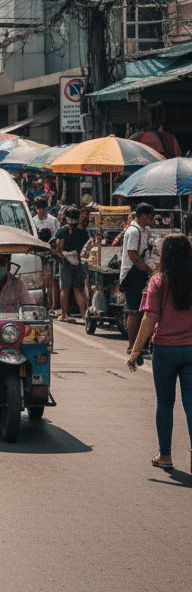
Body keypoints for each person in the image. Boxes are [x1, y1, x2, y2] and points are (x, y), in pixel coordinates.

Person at [126, 234, 192, 472]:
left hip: (165, 352)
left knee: (165, 404)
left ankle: (165, 455)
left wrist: (134, 352)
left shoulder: (158, 282)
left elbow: (149, 318)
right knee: (191, 404)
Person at [120, 202, 157, 356]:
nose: (151, 221)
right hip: (132, 274)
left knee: (140, 309)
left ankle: (138, 345)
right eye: (150, 218)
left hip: (139, 273)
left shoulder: (142, 230)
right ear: (142, 216)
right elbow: (133, 255)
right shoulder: (134, 231)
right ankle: (131, 346)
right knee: (134, 310)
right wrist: (149, 270)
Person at [54, 207, 89, 324]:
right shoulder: (83, 232)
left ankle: (64, 314)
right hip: (79, 262)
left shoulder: (62, 231)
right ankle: (84, 315)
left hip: (65, 263)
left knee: (65, 288)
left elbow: (59, 247)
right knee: (77, 289)